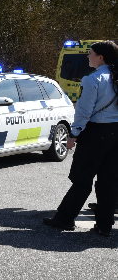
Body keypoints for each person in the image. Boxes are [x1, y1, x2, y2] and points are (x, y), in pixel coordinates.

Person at [43, 40, 118, 237]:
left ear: (100, 57)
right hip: (116, 133)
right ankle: (104, 226)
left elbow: (84, 111)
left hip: (95, 133)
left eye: (91, 53)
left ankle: (65, 219)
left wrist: (73, 134)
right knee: (108, 182)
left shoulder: (92, 80)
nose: (88, 56)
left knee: (82, 178)